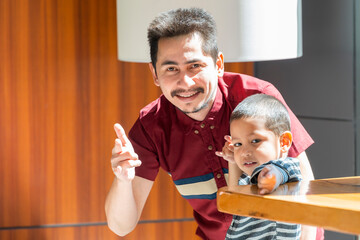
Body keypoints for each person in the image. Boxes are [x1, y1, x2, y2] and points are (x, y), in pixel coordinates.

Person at [105, 7, 323, 240]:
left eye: (195, 66)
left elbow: (305, 186)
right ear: (155, 74)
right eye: (171, 69)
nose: (185, 82)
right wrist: (123, 180)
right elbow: (120, 227)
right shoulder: (151, 126)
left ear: (218, 64)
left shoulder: (257, 96)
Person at [225, 93, 307, 240]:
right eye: (238, 144)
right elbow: (233, 197)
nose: (244, 152)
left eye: (255, 140)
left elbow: (278, 172)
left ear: (284, 142)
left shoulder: (287, 167)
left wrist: (270, 177)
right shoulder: (246, 179)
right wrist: (232, 161)